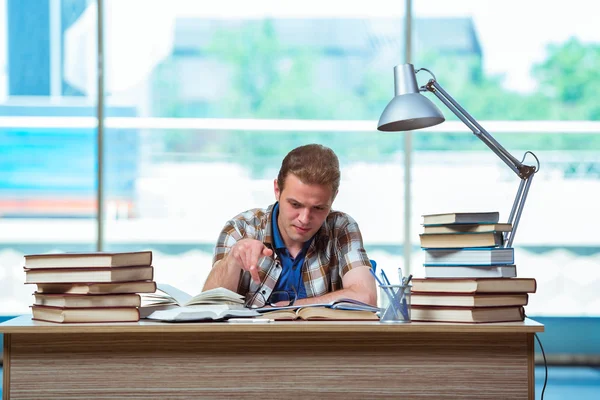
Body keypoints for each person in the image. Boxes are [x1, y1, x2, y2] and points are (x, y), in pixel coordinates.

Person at [202, 144, 376, 308]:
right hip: (251, 340)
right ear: (277, 190)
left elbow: (366, 297)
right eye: (295, 204)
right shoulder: (241, 229)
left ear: (333, 198)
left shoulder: (341, 227)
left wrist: (293, 307)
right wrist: (233, 259)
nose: (304, 218)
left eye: (318, 208)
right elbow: (208, 309)